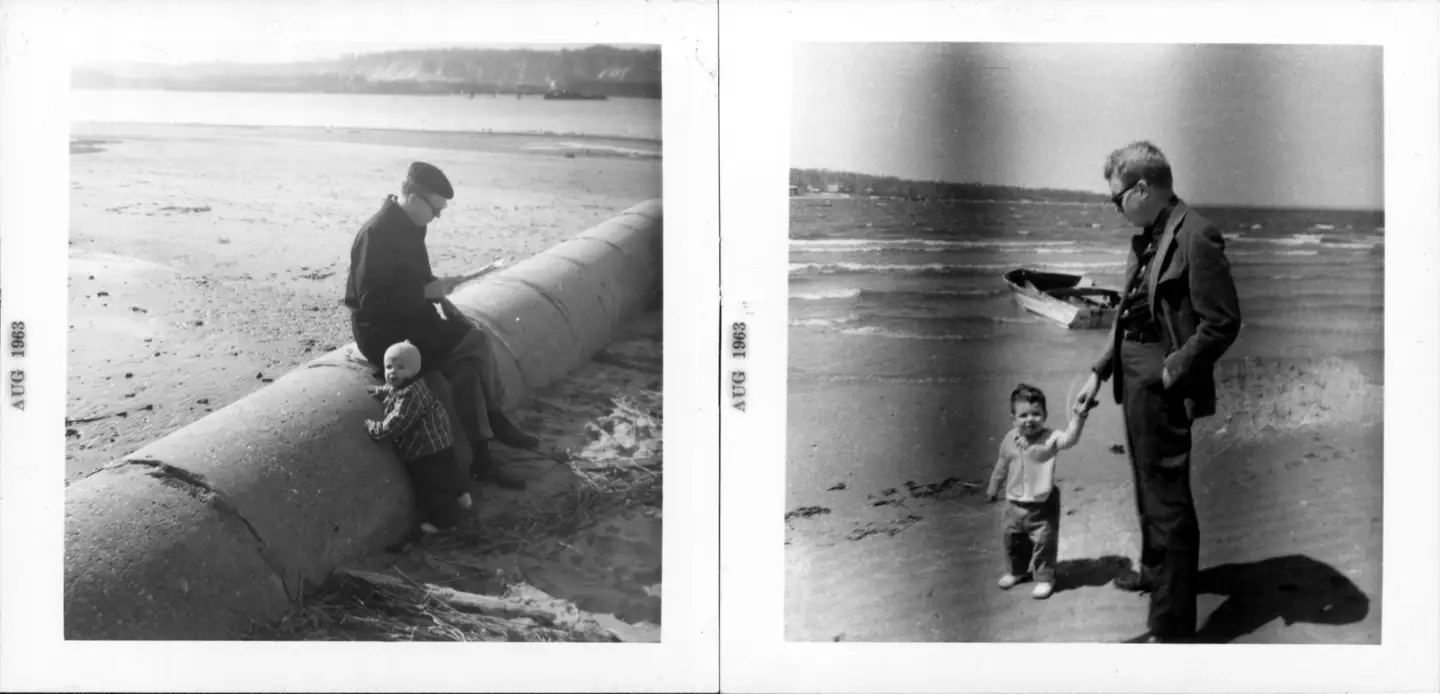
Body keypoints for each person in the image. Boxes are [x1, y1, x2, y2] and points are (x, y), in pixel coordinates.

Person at [1074, 141, 1242, 643]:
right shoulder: (1146, 236)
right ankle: (1154, 573)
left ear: (1142, 188)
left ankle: (1170, 628)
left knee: (1167, 498)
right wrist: (1098, 371)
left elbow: (1222, 322)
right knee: (1145, 482)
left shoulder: (1197, 235)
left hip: (1160, 374)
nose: (1114, 206)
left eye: (1116, 197)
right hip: (1130, 369)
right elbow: (1127, 312)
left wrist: (1174, 368)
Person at [344, 161, 538, 490]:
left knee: (466, 366)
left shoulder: (412, 225)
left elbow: (418, 279)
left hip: (412, 319)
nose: (437, 217)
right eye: (436, 209)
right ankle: (496, 422)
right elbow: (369, 302)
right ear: (414, 199)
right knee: (474, 343)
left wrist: (440, 293)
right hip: (382, 334)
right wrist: (422, 292)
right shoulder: (376, 233)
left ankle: (483, 457)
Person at [986, 383, 1090, 600]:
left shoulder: (1050, 437)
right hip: (1014, 504)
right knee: (1013, 540)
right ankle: (1018, 571)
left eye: (1036, 414)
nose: (1030, 419)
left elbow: (1069, 439)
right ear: (1013, 419)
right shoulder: (1009, 440)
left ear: (1045, 415)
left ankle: (1045, 578)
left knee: (1044, 543)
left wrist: (1078, 419)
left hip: (1042, 506)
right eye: (1023, 415)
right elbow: (1001, 466)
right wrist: (993, 487)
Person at [363, 341, 473, 534]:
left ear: (413, 369)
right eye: (389, 367)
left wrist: (375, 428)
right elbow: (393, 389)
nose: (392, 372)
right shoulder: (415, 384)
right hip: (441, 441)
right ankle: (462, 496)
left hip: (425, 450)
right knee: (448, 472)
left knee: (432, 487)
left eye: (400, 367)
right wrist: (381, 391)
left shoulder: (409, 397)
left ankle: (446, 523)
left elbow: (396, 423)